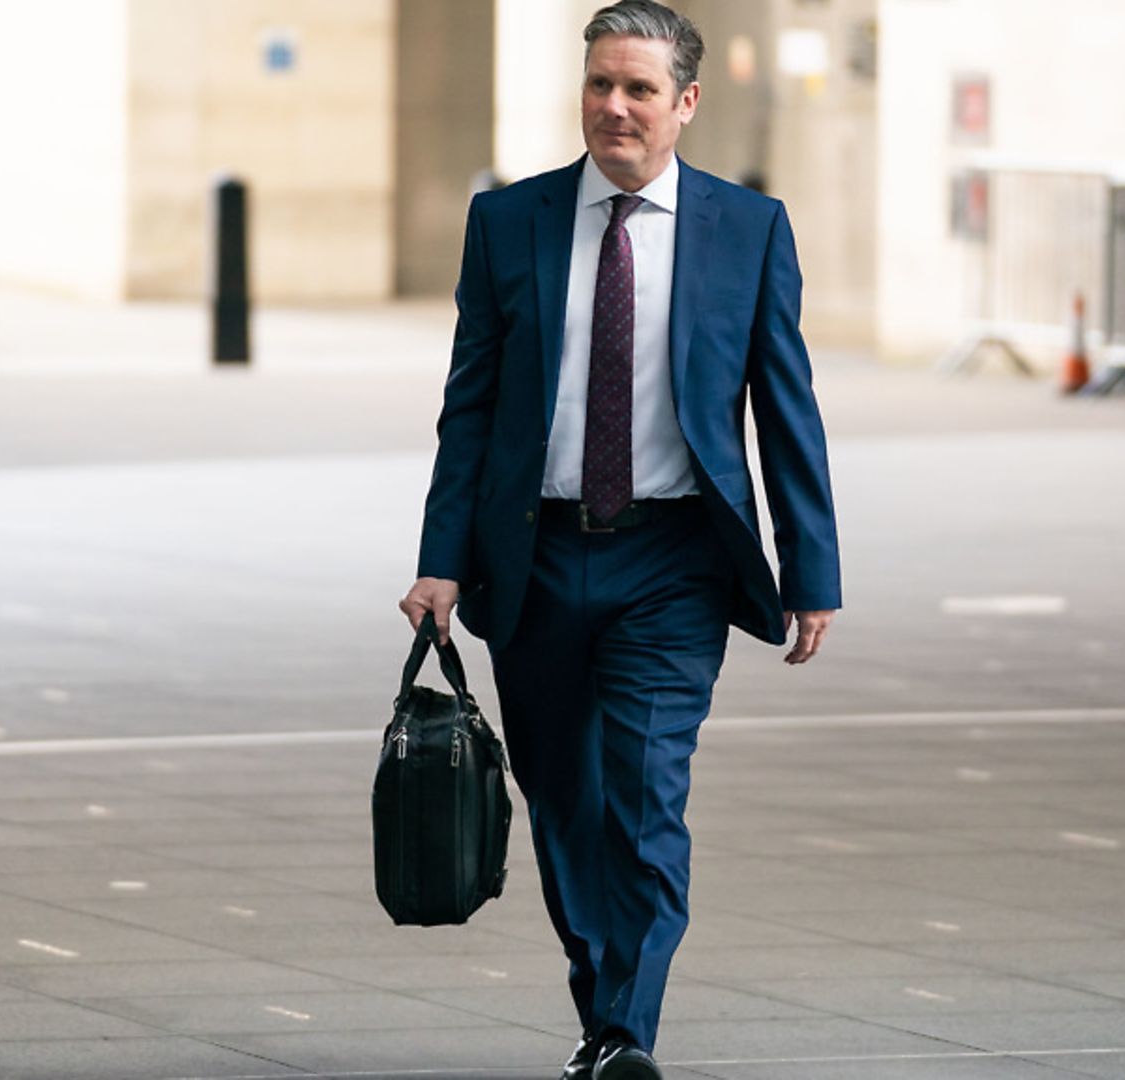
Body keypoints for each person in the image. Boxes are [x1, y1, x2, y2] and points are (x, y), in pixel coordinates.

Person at [397, 3, 841, 1078]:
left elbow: (787, 405)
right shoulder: (513, 223)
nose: (615, 107)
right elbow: (473, 403)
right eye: (601, 84)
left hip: (675, 562)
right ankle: (605, 1011)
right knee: (562, 801)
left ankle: (626, 1033)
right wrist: (441, 557)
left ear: (685, 103)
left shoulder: (747, 228)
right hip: (537, 557)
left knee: (647, 799)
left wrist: (809, 567)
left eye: (640, 89)